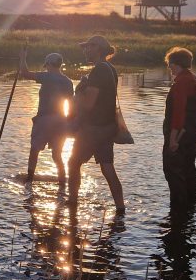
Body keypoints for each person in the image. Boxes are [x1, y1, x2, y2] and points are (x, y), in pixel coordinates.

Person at [67, 35, 125, 214]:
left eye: (88, 47)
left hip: (94, 129)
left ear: (97, 48)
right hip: (107, 127)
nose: (85, 51)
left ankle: (73, 204)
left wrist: (78, 91)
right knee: (107, 167)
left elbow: (89, 104)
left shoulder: (99, 69)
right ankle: (120, 209)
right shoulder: (110, 68)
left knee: (73, 163)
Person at [19, 47, 74, 183]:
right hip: (61, 120)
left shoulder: (46, 76)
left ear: (49, 64)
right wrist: (69, 122)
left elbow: (25, 73)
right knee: (57, 155)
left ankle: (29, 180)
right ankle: (62, 182)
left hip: (44, 119)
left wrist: (22, 57)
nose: (46, 68)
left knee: (34, 150)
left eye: (47, 65)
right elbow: (71, 104)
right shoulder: (68, 81)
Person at [162, 46, 196, 205]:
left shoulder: (181, 83)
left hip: (179, 136)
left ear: (175, 64)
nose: (169, 67)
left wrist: (173, 139)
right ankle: (191, 207)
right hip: (191, 136)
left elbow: (178, 113)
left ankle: (178, 211)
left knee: (173, 171)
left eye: (169, 64)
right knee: (188, 169)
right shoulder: (195, 80)